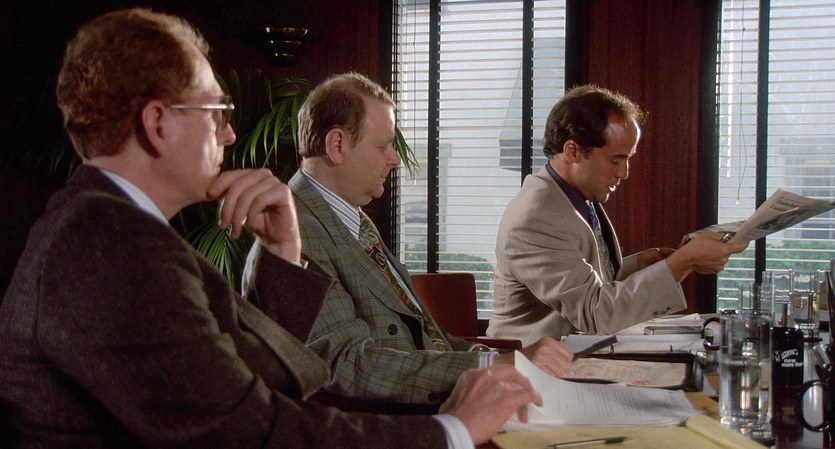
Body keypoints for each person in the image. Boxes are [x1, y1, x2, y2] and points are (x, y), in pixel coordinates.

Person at [0, 9, 544, 449]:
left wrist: (283, 251)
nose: (231, 134)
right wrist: (451, 432)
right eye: (216, 111)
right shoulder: (112, 248)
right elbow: (247, 432)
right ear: (158, 123)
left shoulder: (109, 227)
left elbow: (252, 380)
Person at [256, 72, 573, 406]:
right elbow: (346, 365)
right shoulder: (294, 233)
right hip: (397, 422)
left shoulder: (351, 219)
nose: (395, 157)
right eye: (383, 146)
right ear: (337, 145)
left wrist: (495, 360)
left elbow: (425, 338)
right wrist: (493, 366)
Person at [486, 85, 749, 345]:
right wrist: (682, 263)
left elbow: (588, 281)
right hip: (532, 365)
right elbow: (596, 314)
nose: (624, 173)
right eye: (616, 160)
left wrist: (640, 266)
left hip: (577, 353)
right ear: (573, 151)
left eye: (627, 159)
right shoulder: (537, 217)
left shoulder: (574, 196)